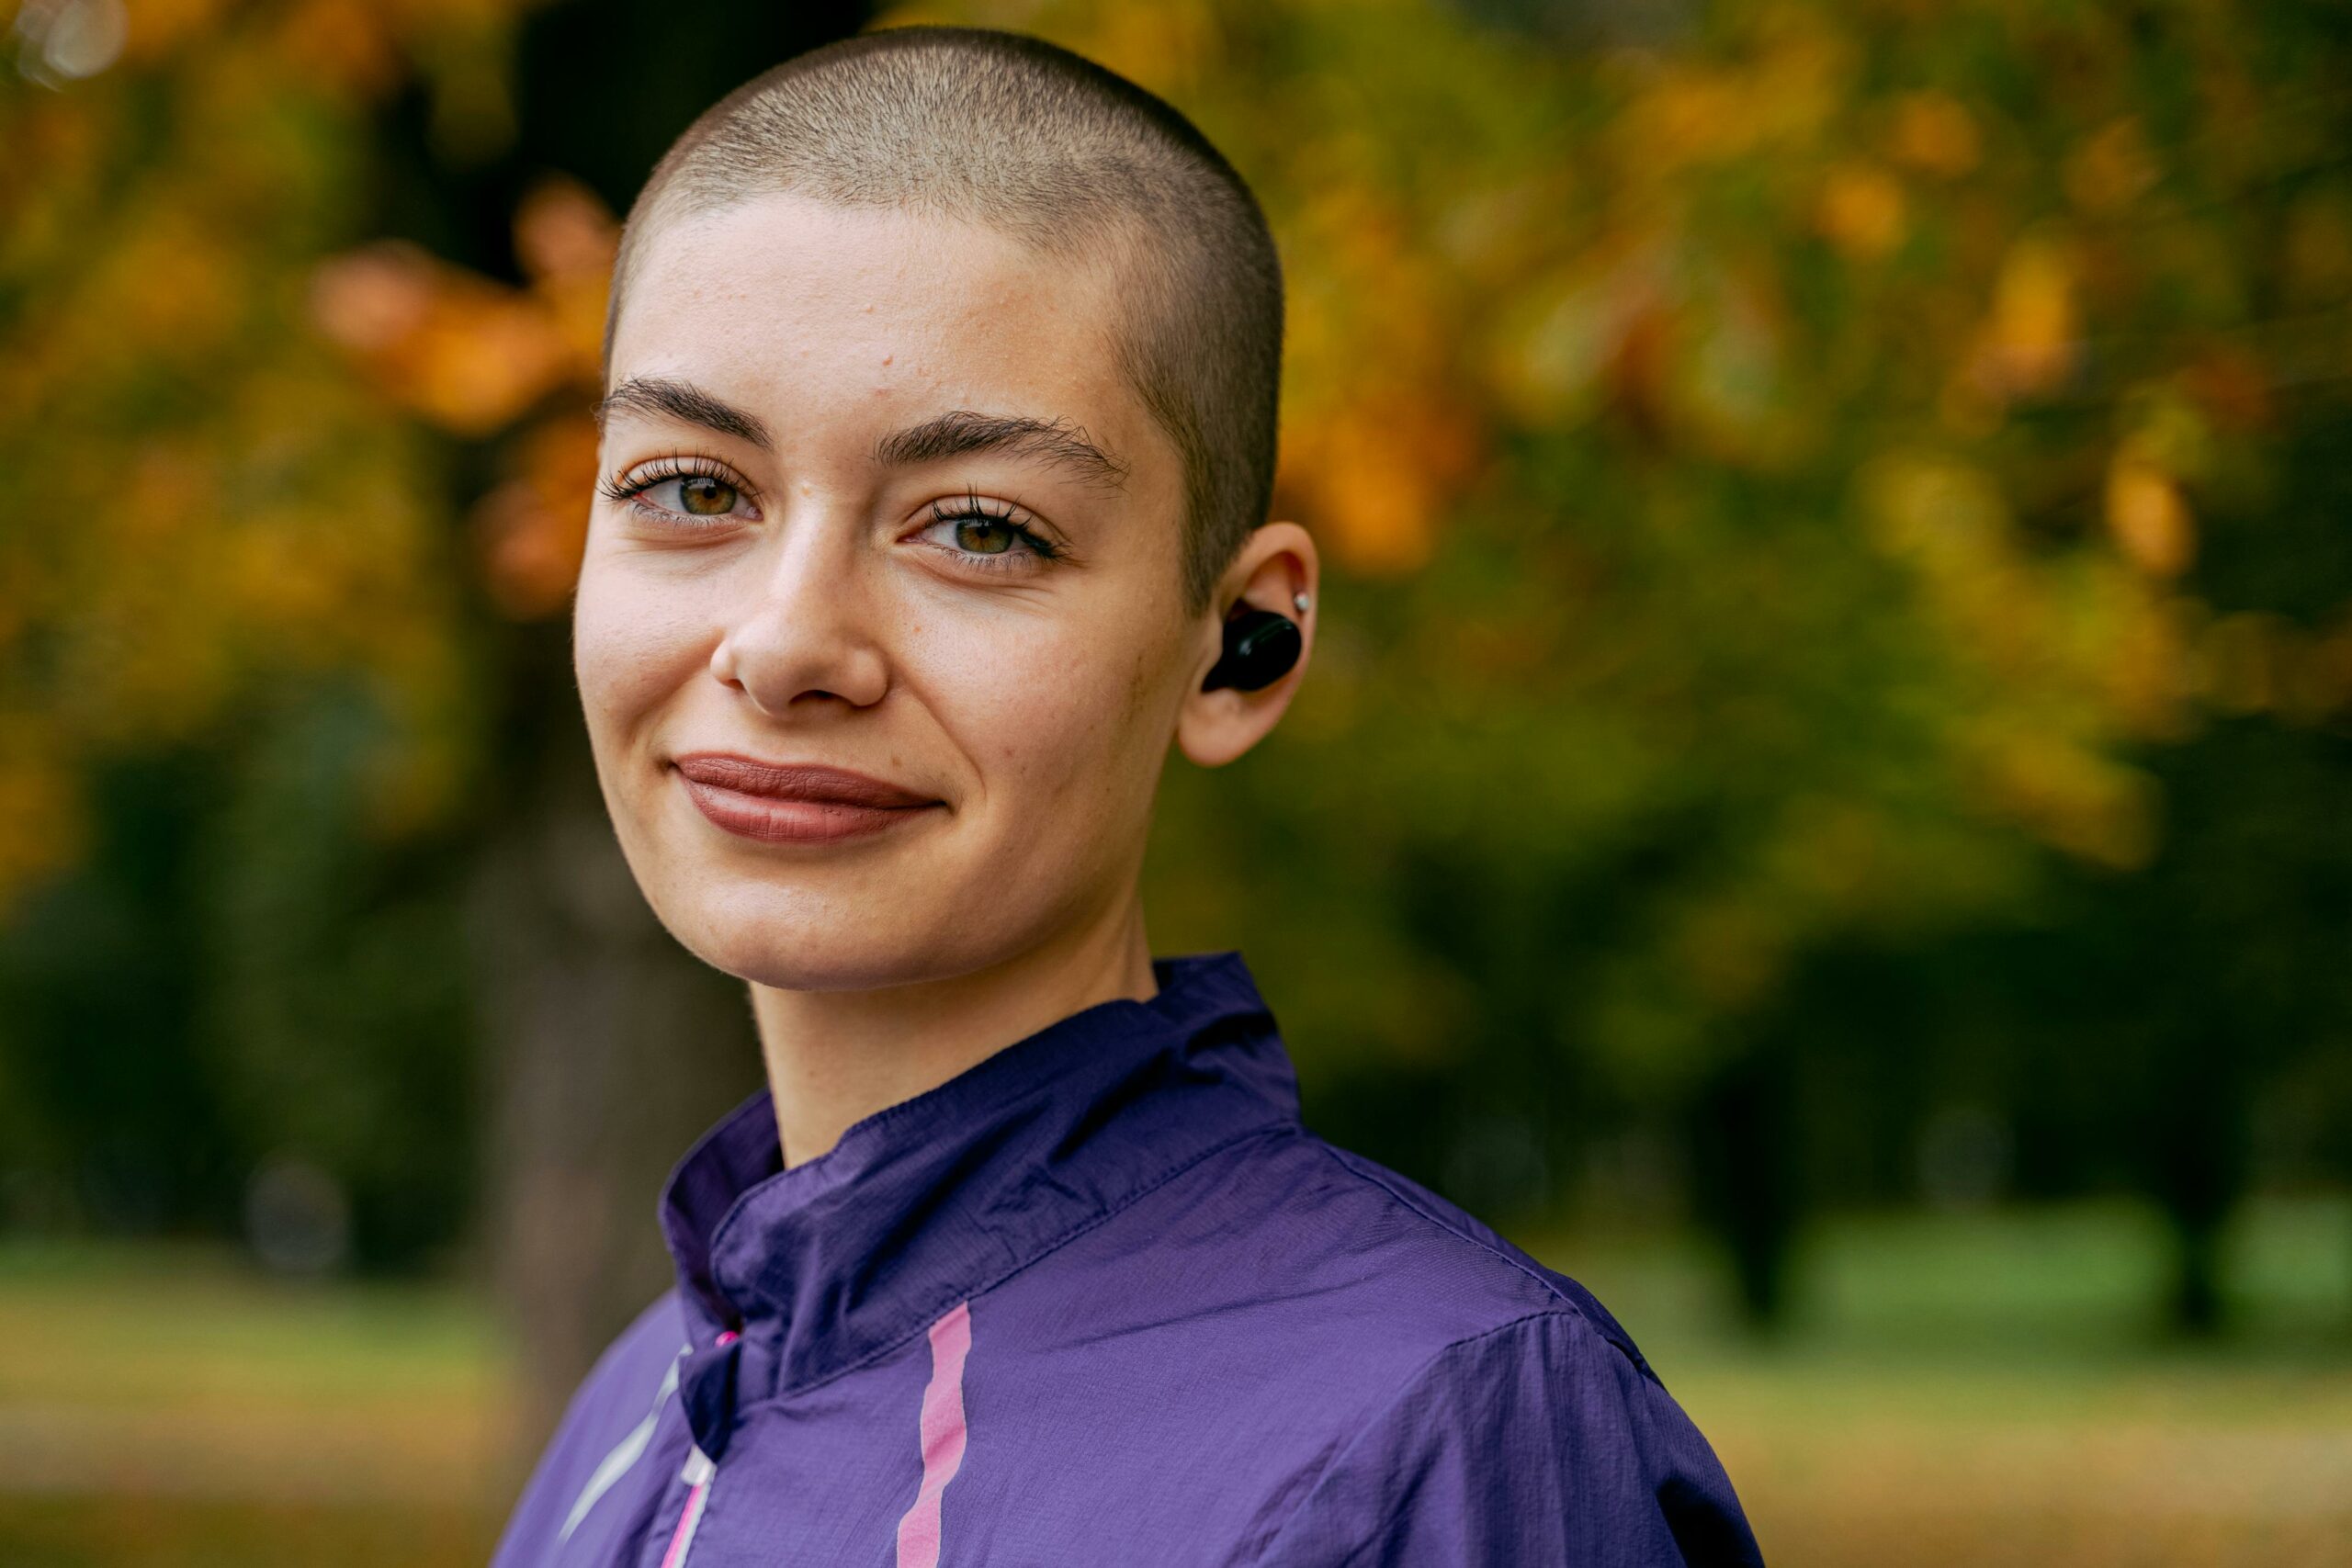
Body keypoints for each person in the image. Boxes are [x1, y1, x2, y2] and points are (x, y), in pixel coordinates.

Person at [490, 24, 1765, 1568]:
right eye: (693, 490)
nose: (786, 646)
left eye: (975, 528)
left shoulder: (1430, 1439)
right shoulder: (640, 1405)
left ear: (1242, 647)